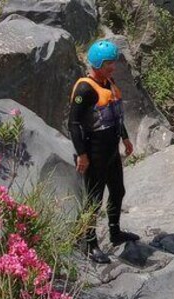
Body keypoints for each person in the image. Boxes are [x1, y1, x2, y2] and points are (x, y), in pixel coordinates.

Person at [68, 39, 138, 264]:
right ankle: (89, 244)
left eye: (113, 62)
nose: (112, 67)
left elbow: (116, 115)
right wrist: (81, 154)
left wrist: (125, 137)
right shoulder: (85, 88)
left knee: (118, 191)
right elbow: (74, 123)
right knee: (93, 200)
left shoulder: (109, 82)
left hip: (111, 151)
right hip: (95, 152)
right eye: (108, 63)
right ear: (97, 63)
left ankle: (115, 233)